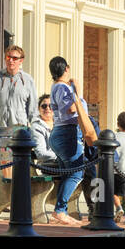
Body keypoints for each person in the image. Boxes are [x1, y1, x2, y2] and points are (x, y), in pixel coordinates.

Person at [48, 56, 88, 225]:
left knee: (68, 174)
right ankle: (60, 211)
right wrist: (78, 91)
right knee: (77, 172)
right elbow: (71, 109)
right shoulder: (63, 88)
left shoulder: (56, 87)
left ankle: (61, 211)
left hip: (60, 133)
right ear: (67, 69)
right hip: (67, 133)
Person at [0, 45, 36, 131]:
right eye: (8, 57)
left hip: (19, 130)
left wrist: (36, 129)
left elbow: (32, 109)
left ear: (21, 60)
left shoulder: (28, 80)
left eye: (15, 58)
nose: (11, 60)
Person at [31, 94, 58, 163]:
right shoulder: (36, 127)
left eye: (51, 106)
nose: (47, 108)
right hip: (49, 165)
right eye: (44, 106)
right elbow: (41, 154)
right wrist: (62, 156)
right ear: (39, 109)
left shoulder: (60, 123)